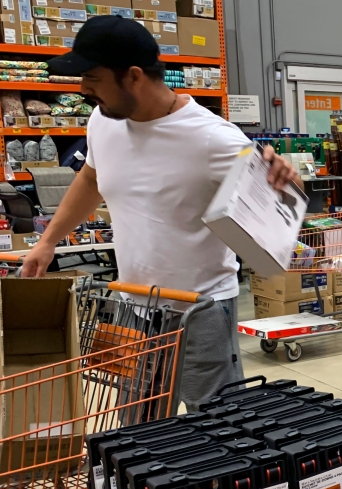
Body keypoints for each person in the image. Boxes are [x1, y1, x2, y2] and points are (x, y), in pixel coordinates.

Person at [19, 16, 300, 410]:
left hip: (200, 311)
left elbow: (284, 204)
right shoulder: (103, 121)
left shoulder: (211, 137)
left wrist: (284, 176)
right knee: (135, 432)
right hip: (134, 307)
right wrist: (47, 242)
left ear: (133, 77)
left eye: (92, 78)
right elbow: (90, 181)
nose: (83, 90)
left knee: (217, 431)